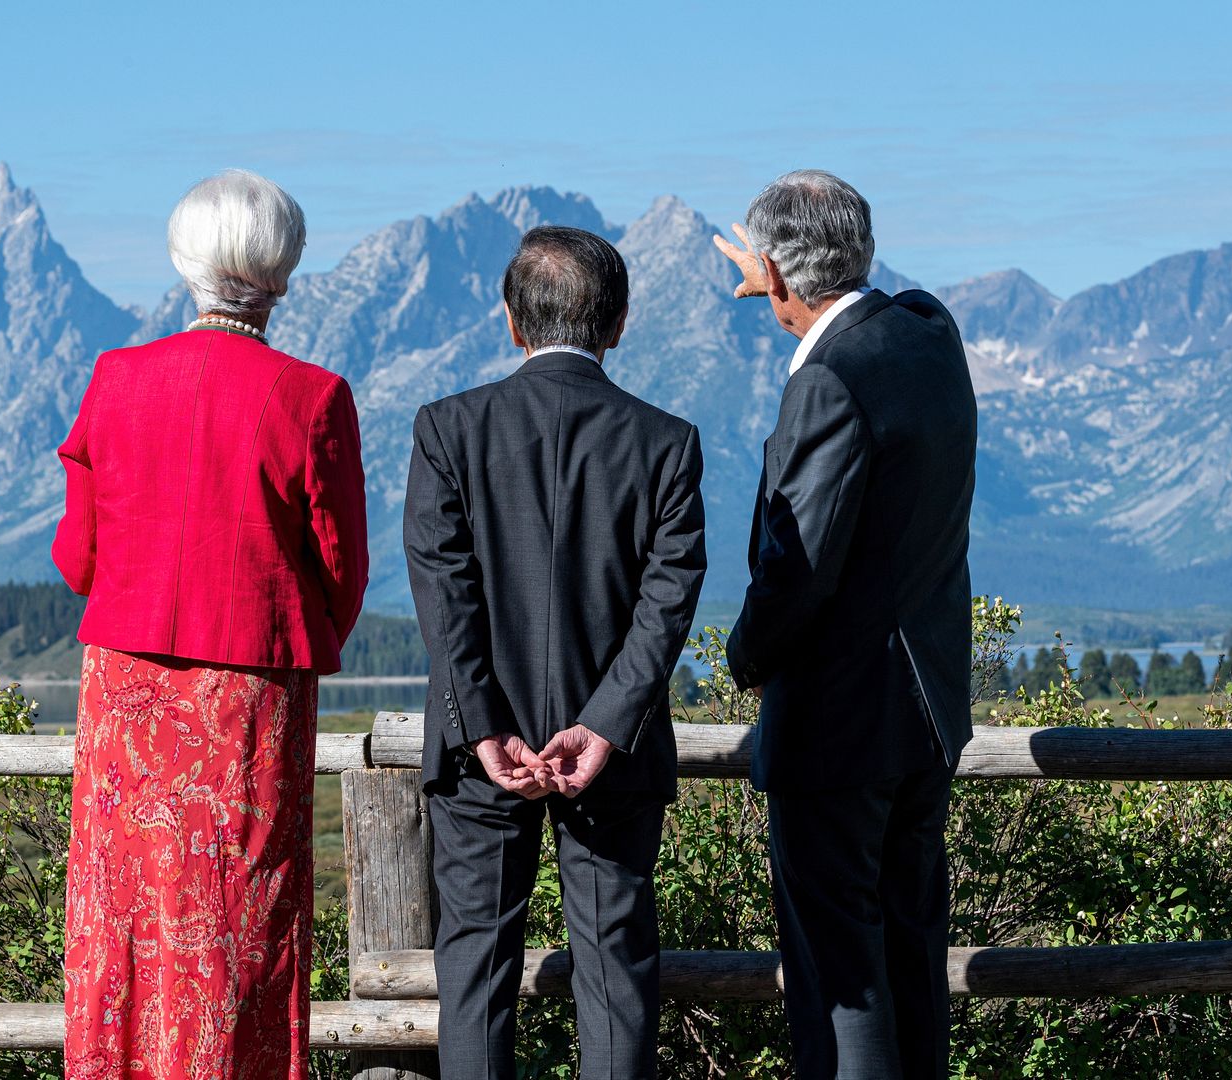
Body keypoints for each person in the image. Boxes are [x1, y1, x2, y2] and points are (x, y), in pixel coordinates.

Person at [51, 169, 367, 1079]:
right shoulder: (312, 397)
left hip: (127, 690)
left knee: (124, 918)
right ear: (283, 272)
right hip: (249, 698)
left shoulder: (116, 380)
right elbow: (341, 573)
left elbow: (79, 561)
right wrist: (293, 630)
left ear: (185, 262)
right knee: (240, 915)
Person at [405, 224, 707, 1079]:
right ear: (617, 325)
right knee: (615, 974)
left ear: (511, 321)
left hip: (478, 759)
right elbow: (667, 602)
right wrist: (606, 726)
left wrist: (485, 727)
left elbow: (445, 595)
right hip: (610, 759)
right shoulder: (667, 443)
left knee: (474, 972)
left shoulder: (446, 429)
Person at [714, 170, 977, 1079]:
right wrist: (780, 272)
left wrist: (744, 656)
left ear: (780, 277)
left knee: (841, 979)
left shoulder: (829, 378)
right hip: (928, 708)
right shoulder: (929, 337)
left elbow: (798, 564)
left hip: (839, 723)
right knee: (913, 958)